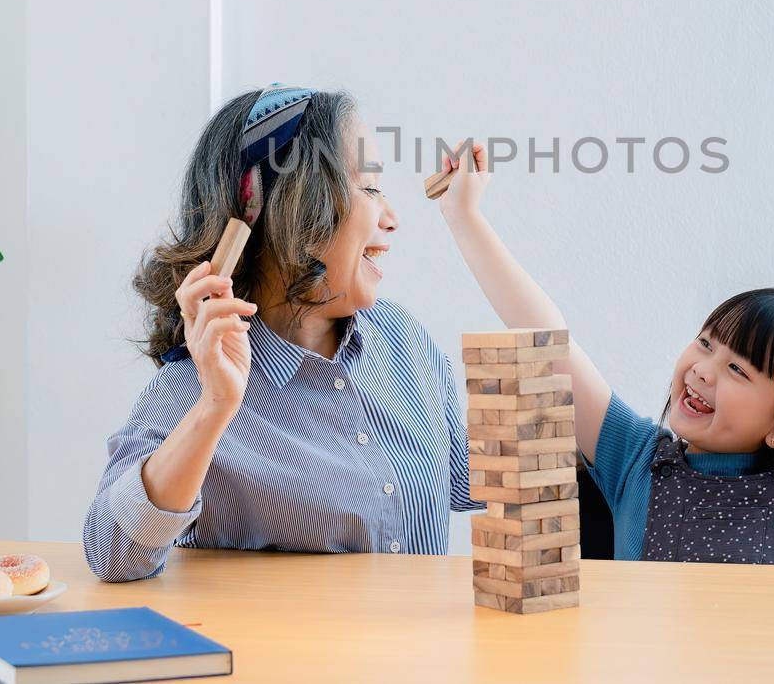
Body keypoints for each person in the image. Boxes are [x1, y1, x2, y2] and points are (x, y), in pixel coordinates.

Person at [438, 142, 774, 566]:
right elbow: (546, 337)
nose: (702, 370)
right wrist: (466, 219)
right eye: (706, 343)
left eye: (737, 369)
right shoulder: (634, 456)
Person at [83, 86, 478, 582]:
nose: (393, 219)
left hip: (420, 658)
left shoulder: (403, 340)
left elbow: (462, 474)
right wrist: (214, 409)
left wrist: (585, 438)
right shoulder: (195, 389)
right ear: (299, 206)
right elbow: (114, 554)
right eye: (371, 189)